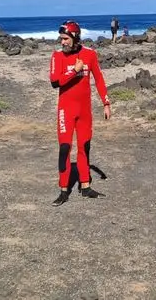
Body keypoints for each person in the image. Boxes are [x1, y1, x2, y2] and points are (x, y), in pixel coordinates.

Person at [49, 20, 111, 206]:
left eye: (66, 39)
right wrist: (74, 72)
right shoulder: (57, 56)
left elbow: (99, 79)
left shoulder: (89, 54)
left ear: (75, 37)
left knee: (85, 147)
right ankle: (63, 190)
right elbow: (54, 82)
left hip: (84, 110)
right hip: (65, 111)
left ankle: (85, 186)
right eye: (61, 39)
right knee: (65, 149)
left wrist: (106, 103)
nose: (63, 42)